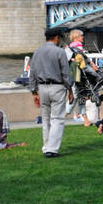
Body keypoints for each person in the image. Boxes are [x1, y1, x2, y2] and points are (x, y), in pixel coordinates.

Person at [29, 28, 73, 157]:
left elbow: (33, 73)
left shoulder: (37, 52)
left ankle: (46, 146)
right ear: (56, 38)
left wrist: (34, 92)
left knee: (46, 119)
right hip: (57, 87)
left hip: (42, 87)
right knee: (57, 118)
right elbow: (65, 73)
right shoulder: (60, 52)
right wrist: (70, 90)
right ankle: (52, 149)